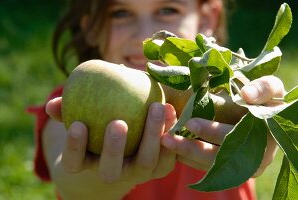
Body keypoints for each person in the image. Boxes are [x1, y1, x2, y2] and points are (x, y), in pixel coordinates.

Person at [28, 0, 285, 199]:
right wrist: (100, 177)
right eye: (120, 12)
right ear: (91, 29)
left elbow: (257, 122)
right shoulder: (71, 99)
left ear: (207, 19)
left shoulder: (222, 97)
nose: (145, 35)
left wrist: (265, 120)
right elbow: (70, 182)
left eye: (167, 9)